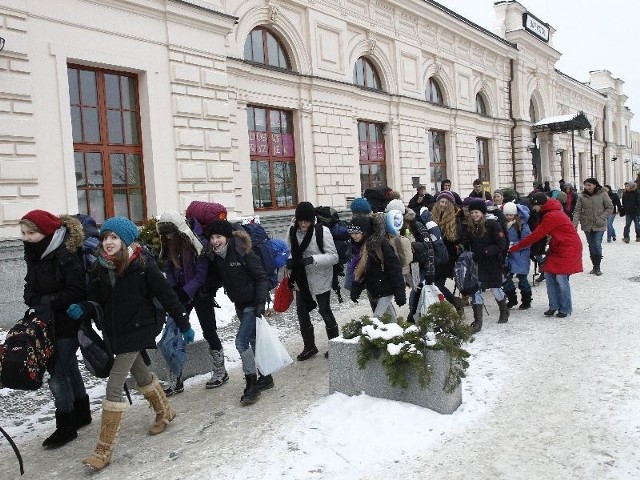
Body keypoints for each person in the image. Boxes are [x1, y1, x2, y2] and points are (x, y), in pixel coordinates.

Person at [67, 216, 193, 470]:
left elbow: (166, 294)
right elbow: (95, 299)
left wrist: (183, 323)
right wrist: (83, 308)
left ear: (125, 240)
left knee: (114, 386)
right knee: (141, 374)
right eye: (104, 238)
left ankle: (103, 451)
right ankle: (164, 410)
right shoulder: (101, 267)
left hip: (137, 330)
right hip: (115, 333)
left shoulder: (143, 265)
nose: (108, 243)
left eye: (114, 237)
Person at [19, 210, 90, 449]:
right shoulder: (34, 253)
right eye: (24, 233)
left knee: (57, 370)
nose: (26, 238)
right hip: (47, 322)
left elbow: (77, 290)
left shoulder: (65, 254)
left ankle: (66, 426)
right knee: (68, 366)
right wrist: (30, 297)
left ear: (46, 233)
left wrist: (47, 301)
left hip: (68, 320)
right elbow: (30, 284)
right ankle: (82, 412)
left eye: (31, 233)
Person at [156, 210, 228, 393]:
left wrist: (185, 291)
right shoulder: (168, 243)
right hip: (181, 294)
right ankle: (175, 376)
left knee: (209, 329)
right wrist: (173, 288)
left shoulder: (198, 243)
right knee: (174, 331)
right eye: (164, 234)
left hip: (200, 293)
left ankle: (220, 370)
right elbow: (169, 266)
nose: (168, 237)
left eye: (170, 232)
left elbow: (201, 273)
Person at [206, 220, 271, 401]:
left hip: (253, 302)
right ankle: (266, 376)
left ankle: (252, 384)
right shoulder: (218, 256)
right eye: (212, 237)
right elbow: (220, 279)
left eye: (218, 236)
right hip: (240, 303)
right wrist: (207, 290)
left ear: (227, 237)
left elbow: (260, 276)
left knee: (241, 342)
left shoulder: (242, 250)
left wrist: (260, 302)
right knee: (252, 339)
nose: (215, 241)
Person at [510, 193, 582, 317]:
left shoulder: (552, 215)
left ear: (540, 204)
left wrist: (515, 247)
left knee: (561, 278)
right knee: (549, 275)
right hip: (557, 247)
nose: (533, 208)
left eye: (534, 205)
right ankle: (553, 305)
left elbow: (536, 235)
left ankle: (565, 308)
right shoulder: (549, 212)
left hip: (569, 248)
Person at [286, 201, 339, 361]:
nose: (303, 224)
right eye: (300, 221)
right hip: (300, 279)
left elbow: (333, 257)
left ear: (312, 220)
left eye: (306, 221)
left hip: (320, 277)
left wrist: (313, 259)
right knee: (302, 313)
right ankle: (309, 346)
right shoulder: (291, 230)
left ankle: (335, 345)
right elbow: (289, 251)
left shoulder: (322, 231)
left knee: (324, 310)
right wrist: (289, 260)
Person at [348, 214, 406, 321]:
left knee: (377, 319)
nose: (353, 236)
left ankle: (397, 334)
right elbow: (360, 271)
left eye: (356, 233)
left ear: (365, 232)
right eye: (351, 233)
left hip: (386, 289)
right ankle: (398, 335)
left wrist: (400, 293)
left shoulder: (381, 244)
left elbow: (394, 268)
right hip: (374, 291)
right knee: (389, 320)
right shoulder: (358, 247)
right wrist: (355, 290)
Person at [463, 200, 509, 333]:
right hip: (477, 263)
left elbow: (501, 244)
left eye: (476, 212)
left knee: (495, 288)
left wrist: (487, 251)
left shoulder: (493, 224)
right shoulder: (471, 226)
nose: (474, 215)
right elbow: (469, 243)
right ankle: (478, 321)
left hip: (492, 263)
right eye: (472, 213)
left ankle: (504, 310)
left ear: (482, 212)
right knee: (476, 290)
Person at [430, 191, 464, 309]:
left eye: (445, 202)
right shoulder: (432, 215)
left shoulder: (455, 219)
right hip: (433, 255)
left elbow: (458, 238)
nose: (442, 204)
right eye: (441, 202)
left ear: (450, 204)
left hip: (446, 257)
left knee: (438, 284)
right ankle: (446, 304)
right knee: (433, 284)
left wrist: (443, 234)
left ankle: (454, 301)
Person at [572, 178, 613, 275]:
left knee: (597, 244)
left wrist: (602, 217)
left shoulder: (603, 194)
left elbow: (610, 207)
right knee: (591, 245)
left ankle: (597, 267)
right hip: (587, 224)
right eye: (586, 185)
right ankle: (594, 266)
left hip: (599, 224)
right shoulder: (582, 196)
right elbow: (577, 211)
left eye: (589, 185)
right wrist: (574, 224)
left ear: (595, 185)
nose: (587, 187)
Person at [502, 201, 532, 310]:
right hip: (508, 255)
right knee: (506, 278)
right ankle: (512, 299)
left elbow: (527, 240)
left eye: (510, 215)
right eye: (507, 215)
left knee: (522, 279)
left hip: (520, 255)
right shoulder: (503, 224)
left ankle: (526, 300)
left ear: (515, 214)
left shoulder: (522, 225)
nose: (509, 217)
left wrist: (514, 245)